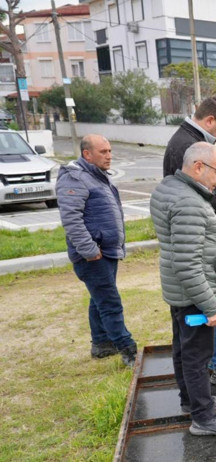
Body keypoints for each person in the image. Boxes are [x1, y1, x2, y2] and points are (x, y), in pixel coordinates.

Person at [150, 142, 216, 436]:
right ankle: (203, 417)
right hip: (194, 294)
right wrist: (212, 306)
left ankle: (191, 400)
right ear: (198, 167)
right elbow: (188, 265)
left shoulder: (170, 186)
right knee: (196, 356)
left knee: (182, 348)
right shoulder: (189, 203)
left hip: (180, 291)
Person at [56, 134, 137, 367]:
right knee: (110, 301)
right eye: (103, 152)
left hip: (107, 251)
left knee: (99, 298)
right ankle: (127, 348)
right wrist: (89, 250)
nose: (109, 156)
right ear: (87, 154)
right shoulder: (74, 178)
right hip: (93, 255)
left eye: (110, 151)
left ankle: (101, 344)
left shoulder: (97, 176)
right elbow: (71, 220)